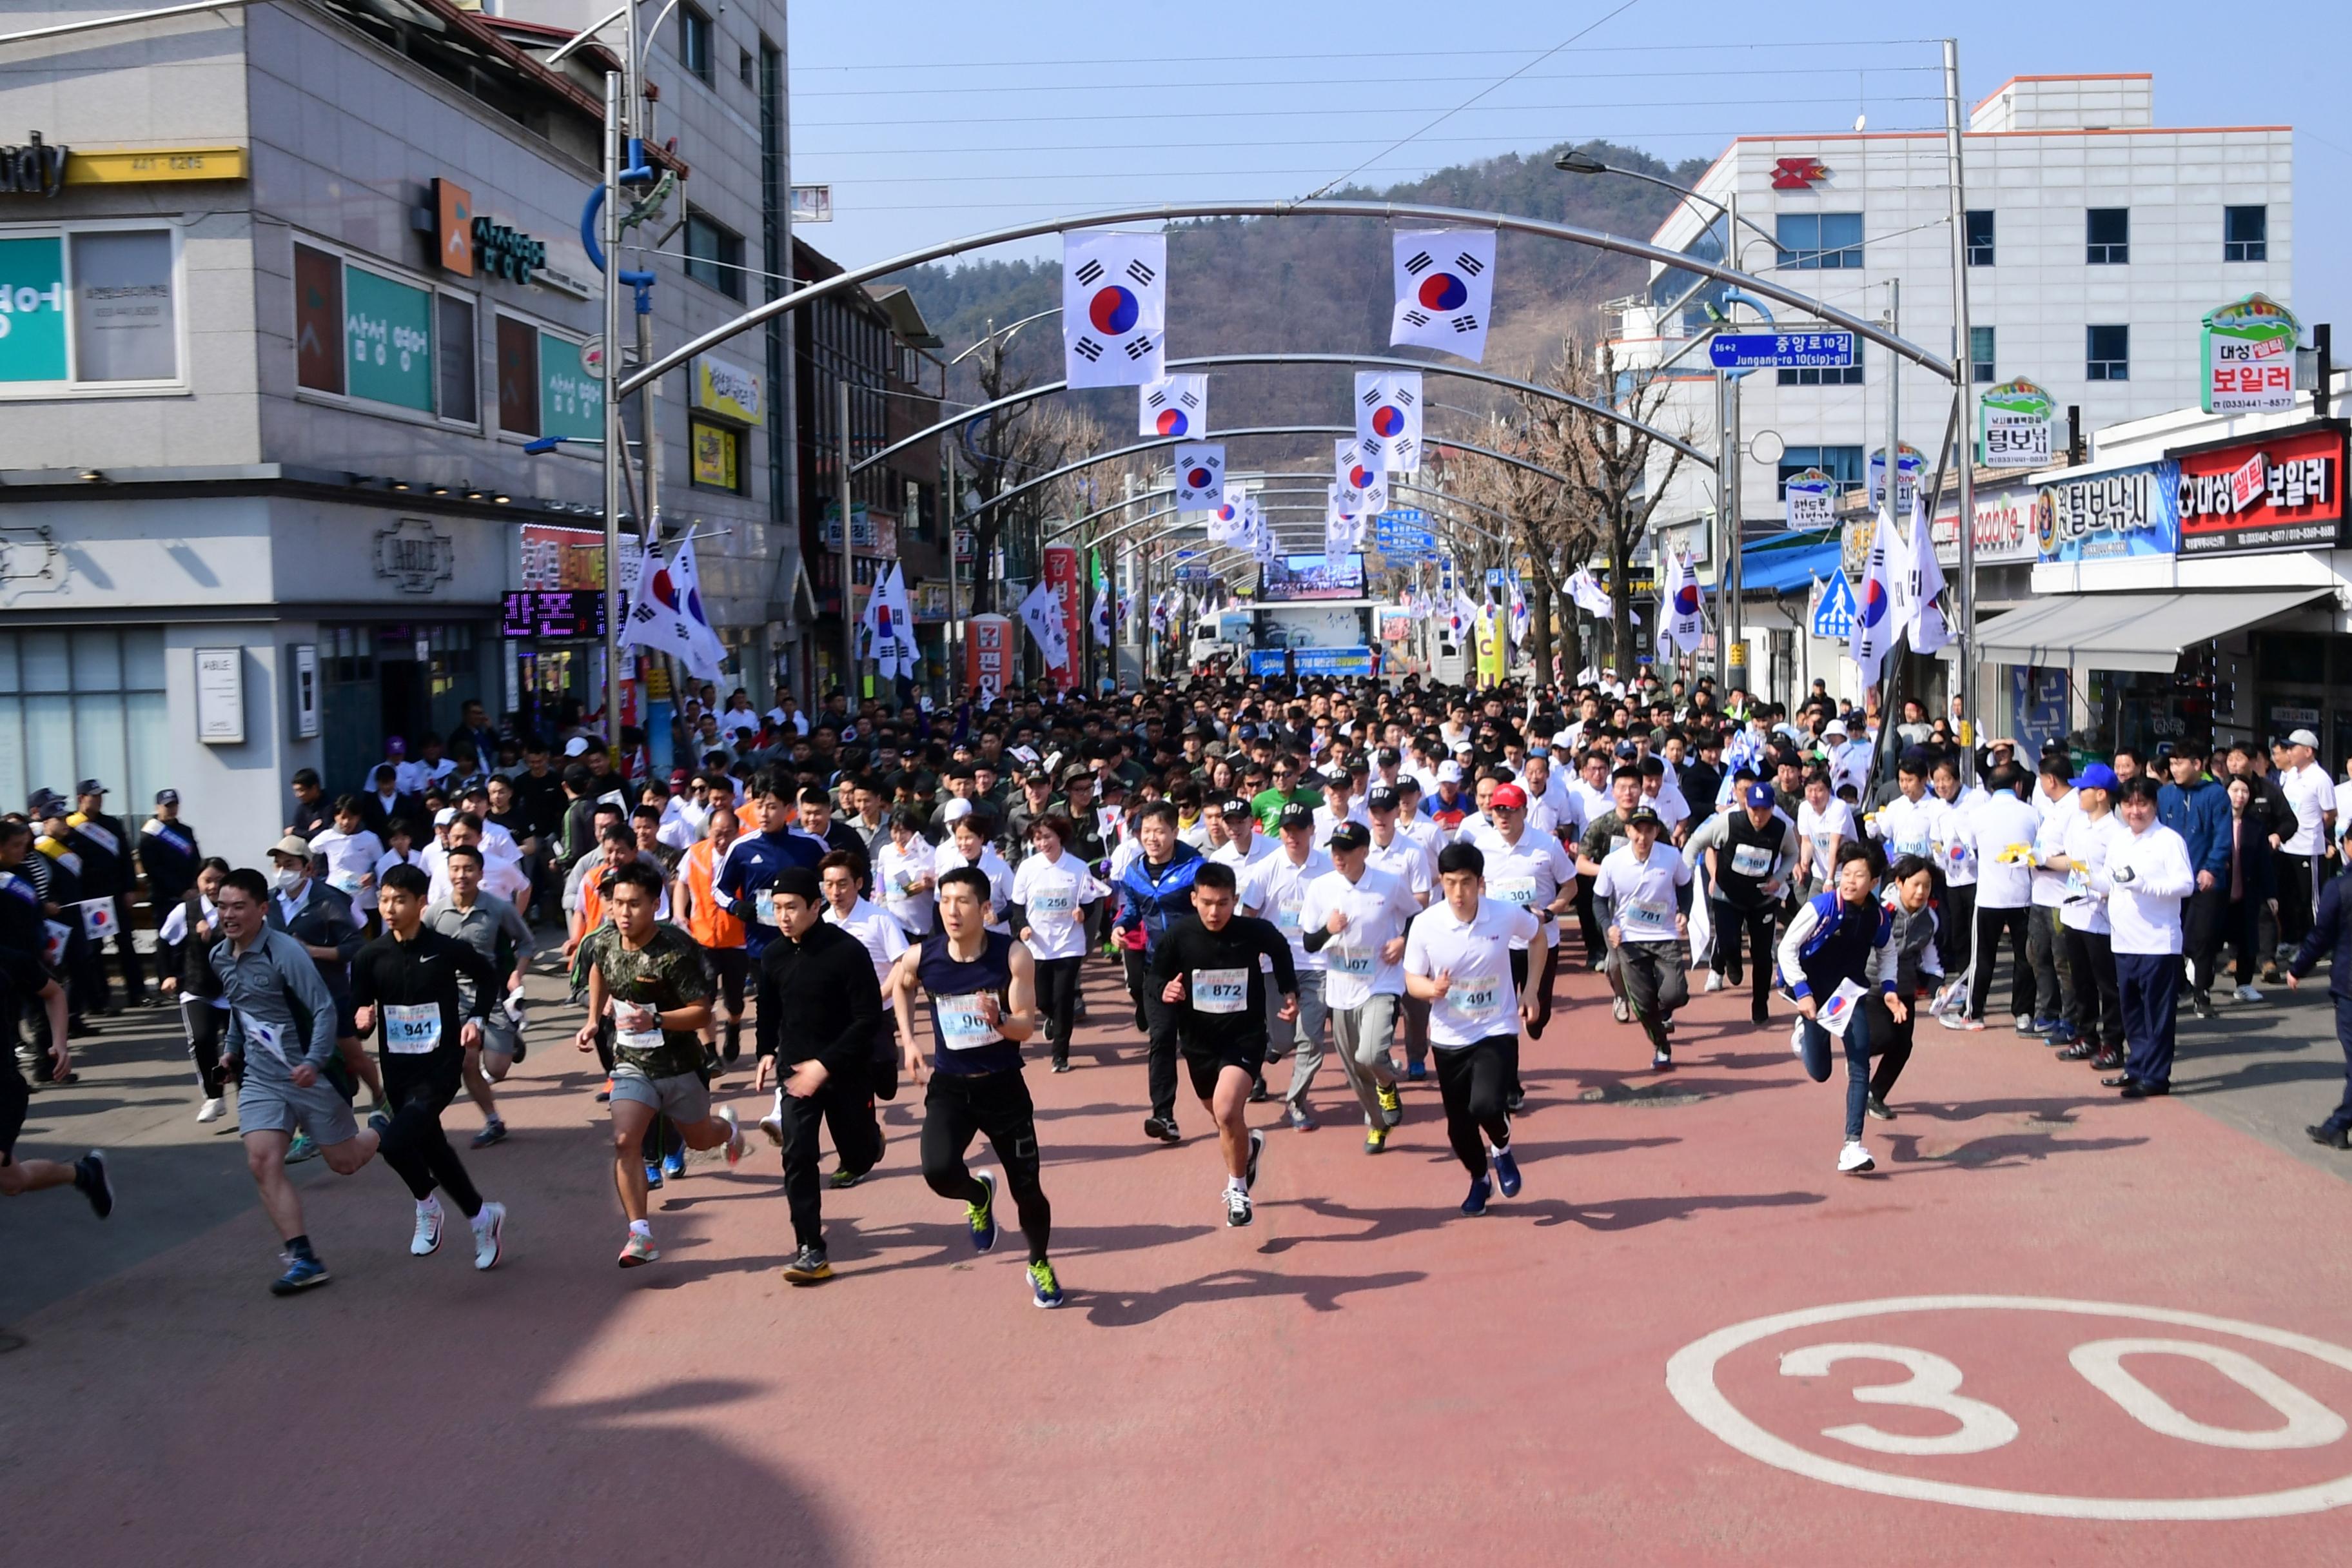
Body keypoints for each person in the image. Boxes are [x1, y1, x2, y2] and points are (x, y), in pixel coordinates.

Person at [884, 866, 1064, 1307]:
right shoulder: (924, 956)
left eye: (962, 901)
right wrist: (908, 1041)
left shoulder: (1012, 956)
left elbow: (1025, 1028)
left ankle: (1039, 1262)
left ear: (985, 908)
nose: (951, 910)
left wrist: (999, 1019)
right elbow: (901, 986)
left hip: (1002, 1089)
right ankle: (977, 1194)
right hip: (951, 1089)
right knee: (938, 1171)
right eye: (944, 901)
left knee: (1029, 1192)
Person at [211, 867, 386, 1293]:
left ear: (262, 910)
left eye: (238, 907)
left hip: (310, 1074)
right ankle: (303, 1257)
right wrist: (232, 1048)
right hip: (262, 1076)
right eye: (221, 907)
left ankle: (382, 1125)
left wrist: (311, 1061)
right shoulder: (220, 955)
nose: (228, 915)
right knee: (262, 1161)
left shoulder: (285, 952)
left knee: (344, 1162)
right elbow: (241, 1008)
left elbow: (325, 1009)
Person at [573, 860, 747, 1267]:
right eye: (617, 903)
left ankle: (730, 1129)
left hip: (682, 1066)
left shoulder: (675, 950)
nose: (623, 913)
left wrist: (657, 1020)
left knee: (702, 1138)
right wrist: (593, 1019)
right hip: (632, 1063)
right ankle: (640, 1235)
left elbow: (703, 1014)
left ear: (655, 904)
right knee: (624, 1141)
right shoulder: (604, 940)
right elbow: (600, 968)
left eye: (634, 904)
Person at [349, 863, 508, 1271]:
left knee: (395, 1143)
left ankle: (426, 1204)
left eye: (399, 900)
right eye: (384, 899)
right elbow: (358, 1006)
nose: (389, 908)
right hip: (398, 1072)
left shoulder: (444, 948)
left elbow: (489, 977)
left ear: (421, 903)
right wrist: (362, 1017)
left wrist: (477, 1018)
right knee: (434, 1149)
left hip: (439, 1067)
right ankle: (481, 1218)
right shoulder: (371, 956)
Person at [1150, 860, 1297, 1226]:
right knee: (1221, 1117)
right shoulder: (1178, 936)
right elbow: (1153, 977)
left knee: (1229, 1109)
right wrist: (1164, 988)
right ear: (1194, 899)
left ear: (1235, 900)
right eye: (1207, 903)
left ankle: (1237, 1190)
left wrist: (1288, 990)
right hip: (1199, 1041)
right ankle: (1248, 1150)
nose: (1215, 912)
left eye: (1224, 903)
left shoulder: (1252, 931)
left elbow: (1280, 948)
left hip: (1244, 1037)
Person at [761, 865, 888, 1284]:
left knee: (858, 1155)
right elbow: (769, 1010)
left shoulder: (847, 952)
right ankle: (811, 1249)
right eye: (777, 908)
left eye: (792, 908)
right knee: (797, 1155)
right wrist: (765, 1051)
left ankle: (870, 1143)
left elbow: (868, 1019)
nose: (783, 917)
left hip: (847, 1071)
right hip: (796, 1072)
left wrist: (825, 1064)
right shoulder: (773, 955)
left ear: (816, 907)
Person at [1401, 842, 1540, 1215]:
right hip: (1450, 1037)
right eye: (1450, 884)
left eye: (1466, 883)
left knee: (1487, 1105)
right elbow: (1412, 978)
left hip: (1496, 1027)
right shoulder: (1426, 924)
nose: (1458, 893)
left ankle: (1503, 1147)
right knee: (1458, 1130)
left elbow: (1538, 935)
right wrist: (1433, 989)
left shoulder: (1504, 914)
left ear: (1481, 883)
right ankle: (1480, 1179)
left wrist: (1531, 990)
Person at [0, 816, 110, 1218]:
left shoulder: (9, 961)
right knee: (11, 1183)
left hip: (2, 1089)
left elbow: (55, 994)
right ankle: (84, 1174)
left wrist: (59, 1045)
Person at [1778, 843, 1903, 1173]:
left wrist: (1889, 990)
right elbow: (1787, 948)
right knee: (1821, 1073)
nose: (1849, 881)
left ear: (1874, 881)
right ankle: (1804, 1038)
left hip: (1848, 996)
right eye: (1845, 873)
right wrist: (1803, 992)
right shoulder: (1821, 907)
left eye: (1858, 876)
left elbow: (1887, 952)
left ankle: (1852, 1146)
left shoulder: (1878, 916)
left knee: (1859, 1063)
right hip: (1814, 997)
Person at [1300, 822, 1421, 1153]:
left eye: (1346, 850)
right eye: (1335, 850)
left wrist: (1402, 940)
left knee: (1370, 1053)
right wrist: (1329, 929)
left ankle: (1387, 1084)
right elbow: (1310, 942)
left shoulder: (1388, 884)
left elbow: (1416, 916)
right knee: (1355, 1067)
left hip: (1381, 983)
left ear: (1364, 852)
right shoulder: (1321, 888)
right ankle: (1377, 1125)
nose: (1338, 857)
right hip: (1340, 990)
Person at [264, 833, 386, 1133]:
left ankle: (381, 1097)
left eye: (289, 864)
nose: (282, 871)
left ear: (308, 869)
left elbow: (355, 947)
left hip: (330, 992)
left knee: (353, 1053)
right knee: (302, 1059)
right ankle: (310, 1130)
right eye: (278, 864)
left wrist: (312, 951)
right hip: (289, 997)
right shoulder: (269, 902)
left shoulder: (328, 900)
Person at [424, 844, 534, 1149]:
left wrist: (516, 974)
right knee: (467, 1061)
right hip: (453, 998)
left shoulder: (498, 908)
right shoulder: (435, 912)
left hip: (493, 994)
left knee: (497, 1069)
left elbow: (526, 943)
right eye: (456, 869)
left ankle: (509, 1040)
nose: (462, 875)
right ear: (448, 873)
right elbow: (418, 952)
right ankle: (493, 1122)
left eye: (469, 869)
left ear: (480, 873)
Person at [1112, 799, 1204, 1143]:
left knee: (1199, 1044)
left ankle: (1235, 1087)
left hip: (1196, 969)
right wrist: (1120, 926)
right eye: (1146, 832)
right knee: (1161, 1039)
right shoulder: (1134, 871)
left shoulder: (1196, 868)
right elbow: (1132, 907)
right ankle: (1163, 1115)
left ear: (1174, 832)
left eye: (1159, 831)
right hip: (1158, 967)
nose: (1152, 838)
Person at [2099, 776, 2195, 1099]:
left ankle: (2156, 1077)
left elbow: (2185, 885)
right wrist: (2084, 881)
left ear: (2154, 805)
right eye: (2128, 804)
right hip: (2123, 941)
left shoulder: (2169, 841)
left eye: (2142, 804)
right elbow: (2110, 881)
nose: (2135, 811)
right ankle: (2137, 1067)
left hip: (2158, 943)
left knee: (2157, 1013)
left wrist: (2144, 885)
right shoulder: (2119, 840)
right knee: (2132, 1012)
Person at [1238, 802, 1332, 1130]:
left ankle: (1297, 1102)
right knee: (1282, 1042)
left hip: (1318, 963)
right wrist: (1249, 954)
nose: (1293, 836)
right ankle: (1265, 1047)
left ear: (1311, 831)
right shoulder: (1266, 869)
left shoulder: (1328, 869)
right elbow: (1248, 915)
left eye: (1300, 829)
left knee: (1312, 1038)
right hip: (1275, 966)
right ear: (1280, 832)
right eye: (1287, 830)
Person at [1595, 805, 1692, 1069]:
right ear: (1628, 831)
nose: (1643, 837)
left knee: (1677, 994)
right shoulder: (1612, 862)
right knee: (1643, 1004)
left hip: (1665, 936)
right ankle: (1662, 1046)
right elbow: (1599, 901)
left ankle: (1663, 1011)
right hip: (1629, 940)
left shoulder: (1671, 857)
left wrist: (1684, 911)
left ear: (1656, 831)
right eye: (1638, 831)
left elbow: (1685, 885)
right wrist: (1608, 926)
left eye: (1649, 831)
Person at [1009, 815, 1108, 1073]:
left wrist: (1082, 913)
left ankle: (1060, 1055)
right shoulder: (1028, 868)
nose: (1043, 843)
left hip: (1068, 944)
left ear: (1060, 837)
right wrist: (1022, 927)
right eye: (1038, 838)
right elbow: (1017, 905)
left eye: (1048, 837)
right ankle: (1051, 1017)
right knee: (1043, 998)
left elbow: (1088, 900)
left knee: (1064, 999)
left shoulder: (1077, 867)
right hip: (1038, 946)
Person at [1696, 781, 1798, 1028]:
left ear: (1772, 808)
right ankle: (1731, 962)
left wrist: (1779, 877)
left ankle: (1760, 1005)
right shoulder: (1730, 821)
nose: (1758, 814)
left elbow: (1792, 853)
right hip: (1728, 895)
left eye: (1764, 809)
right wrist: (1706, 872)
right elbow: (1705, 843)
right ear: (1745, 805)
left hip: (1762, 898)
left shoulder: (1781, 828)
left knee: (1762, 955)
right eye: (1754, 808)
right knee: (1728, 941)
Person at [2050, 764, 2126, 1070]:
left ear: (2102, 794)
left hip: (2101, 920)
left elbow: (2114, 878)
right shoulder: (2078, 824)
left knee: (2106, 985)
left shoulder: (2116, 832)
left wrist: (2096, 890)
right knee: (2080, 982)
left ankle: (2113, 1043)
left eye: (2084, 790)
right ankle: (2085, 1036)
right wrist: (2038, 859)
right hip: (2073, 914)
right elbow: (2071, 861)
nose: (2079, 795)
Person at [1959, 765, 2043, 1032]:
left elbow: (1971, 847)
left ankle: (1974, 1011)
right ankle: (2023, 1013)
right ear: (2018, 785)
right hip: (2024, 896)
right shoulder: (2032, 814)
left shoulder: (1977, 815)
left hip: (1988, 897)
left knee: (1982, 957)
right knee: (2024, 957)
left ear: (1990, 787)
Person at [1865, 856, 1943, 1121]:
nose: (1921, 892)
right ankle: (1857, 1058)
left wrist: (1939, 987)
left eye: (1927, 886)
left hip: (1905, 989)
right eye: (1915, 885)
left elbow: (1931, 960)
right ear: (1899, 882)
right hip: (1872, 986)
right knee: (1883, 1038)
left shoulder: (1930, 919)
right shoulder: (1880, 911)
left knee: (1903, 1046)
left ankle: (1875, 1095)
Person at [2158, 744, 2231, 1019]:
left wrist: (2211, 868)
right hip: (2171, 880)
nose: (2175, 769)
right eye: (2173, 764)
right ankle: (2180, 986)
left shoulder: (2216, 795)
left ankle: (2202, 993)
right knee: (2171, 937)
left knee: (2200, 940)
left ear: (2197, 764)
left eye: (2180, 763)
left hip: (2205, 879)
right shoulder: (2165, 794)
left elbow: (2223, 836)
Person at [157, 856, 233, 1121]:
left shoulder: (237, 909)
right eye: (207, 880)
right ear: (198, 882)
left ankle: (247, 1096)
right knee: (203, 1041)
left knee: (239, 1048)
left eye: (219, 880)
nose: (213, 886)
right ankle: (214, 1096)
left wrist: (214, 935)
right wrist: (167, 975)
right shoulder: (186, 911)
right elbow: (165, 941)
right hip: (198, 988)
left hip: (233, 991)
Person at [674, 804, 749, 1068]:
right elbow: (681, 884)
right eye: (717, 833)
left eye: (728, 833)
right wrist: (679, 914)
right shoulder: (696, 854)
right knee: (703, 997)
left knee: (735, 1000)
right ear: (708, 831)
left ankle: (734, 1026)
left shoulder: (746, 856)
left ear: (738, 834)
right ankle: (710, 1053)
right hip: (702, 938)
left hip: (737, 940)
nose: (722, 839)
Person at [2286, 862, 2352, 1149]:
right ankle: (2338, 1127)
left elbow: (2321, 936)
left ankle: (2338, 1124)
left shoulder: (2339, 888)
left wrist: (2298, 968)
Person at [66, 779, 146, 1012]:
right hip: (90, 897)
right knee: (93, 951)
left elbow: (125, 860)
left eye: (101, 796)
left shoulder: (112, 824)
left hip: (116, 894)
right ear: (81, 799)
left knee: (126, 945)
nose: (99, 800)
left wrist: (130, 889)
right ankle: (99, 999)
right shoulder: (72, 826)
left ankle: (137, 993)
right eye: (94, 796)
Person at [2223, 776, 2277, 1002]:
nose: (2240, 796)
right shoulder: (2217, 820)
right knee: (2208, 938)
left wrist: (2271, 893)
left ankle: (2244, 984)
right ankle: (2200, 987)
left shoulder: (2255, 825)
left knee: (2247, 940)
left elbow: (2264, 862)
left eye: (2244, 791)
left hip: (2248, 890)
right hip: (2219, 891)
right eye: (2235, 790)